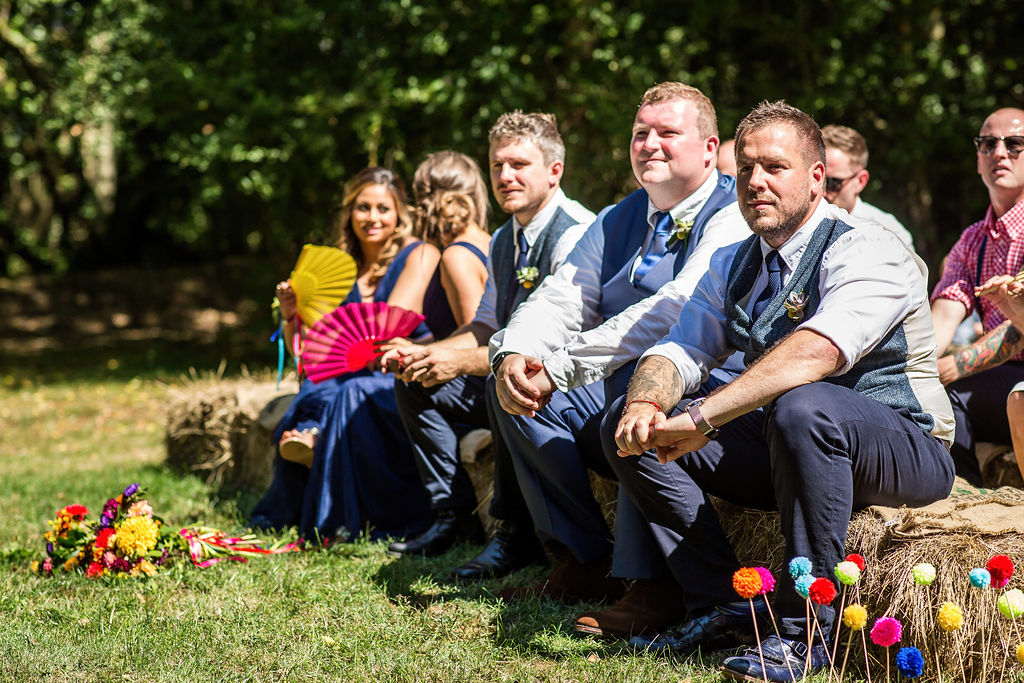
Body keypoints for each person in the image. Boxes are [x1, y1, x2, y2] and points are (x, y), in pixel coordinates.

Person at [609, 101, 954, 682]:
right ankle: (728, 602)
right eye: (744, 169)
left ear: (818, 178)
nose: (755, 182)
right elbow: (680, 350)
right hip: (795, 445)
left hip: (907, 445)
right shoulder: (731, 261)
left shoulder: (868, 247)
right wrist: (648, 402)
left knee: (802, 406)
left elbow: (818, 350)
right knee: (628, 422)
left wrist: (704, 418)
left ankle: (807, 632)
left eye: (775, 167)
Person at [489, 82, 750, 639]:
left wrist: (562, 366)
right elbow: (564, 295)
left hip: (702, 380)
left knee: (641, 407)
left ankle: (653, 586)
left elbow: (672, 309)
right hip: (608, 373)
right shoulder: (616, 217)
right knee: (512, 392)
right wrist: (520, 350)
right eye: (640, 133)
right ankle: (584, 557)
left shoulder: (733, 216)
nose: (649, 144)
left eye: (667, 133)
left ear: (709, 148)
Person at [383, 114, 595, 576]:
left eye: (519, 164)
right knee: (415, 382)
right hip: (512, 371)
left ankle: (517, 535)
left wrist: (458, 362)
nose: (505, 176)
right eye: (497, 165)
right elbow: (485, 324)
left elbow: (554, 347)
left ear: (554, 171)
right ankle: (453, 515)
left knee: (505, 386)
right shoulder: (504, 238)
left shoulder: (578, 233)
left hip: (567, 383)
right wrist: (430, 353)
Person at [249, 161, 467, 542]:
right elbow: (307, 351)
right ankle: (313, 438)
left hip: (401, 375)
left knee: (342, 392)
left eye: (383, 208)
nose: (372, 217)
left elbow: (387, 329)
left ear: (399, 214)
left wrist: (338, 347)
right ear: (350, 213)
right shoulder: (339, 267)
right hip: (349, 374)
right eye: (363, 207)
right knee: (318, 384)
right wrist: (290, 317)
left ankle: (315, 437)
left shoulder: (420, 254)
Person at [930, 107, 1024, 485]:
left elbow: (1019, 328)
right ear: (978, 158)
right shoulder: (972, 240)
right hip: (998, 380)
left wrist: (955, 366)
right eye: (988, 144)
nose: (999, 152)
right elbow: (941, 319)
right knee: (931, 394)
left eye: (1015, 143)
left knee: (953, 384)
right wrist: (918, 365)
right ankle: (963, 498)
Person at [820, 124, 914, 250]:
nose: (821, 191)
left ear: (860, 181)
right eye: (816, 178)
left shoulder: (889, 233)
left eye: (833, 183)